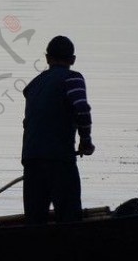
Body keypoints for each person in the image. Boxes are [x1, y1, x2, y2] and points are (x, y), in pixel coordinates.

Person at [21, 35, 94, 224]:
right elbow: (82, 109)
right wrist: (85, 142)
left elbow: (27, 123)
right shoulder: (73, 79)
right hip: (59, 160)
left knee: (35, 222)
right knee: (69, 219)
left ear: (47, 58)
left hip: (31, 160)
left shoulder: (33, 86)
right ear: (72, 60)